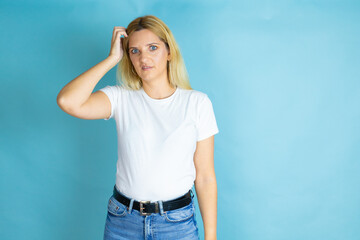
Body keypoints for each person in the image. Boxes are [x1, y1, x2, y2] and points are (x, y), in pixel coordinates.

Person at [57, 15, 219, 240]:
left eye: (153, 48)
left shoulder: (197, 103)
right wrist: (112, 58)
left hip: (176, 223)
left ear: (169, 52)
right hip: (123, 221)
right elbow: (68, 101)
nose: (144, 57)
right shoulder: (120, 98)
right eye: (135, 51)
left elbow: (205, 177)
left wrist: (211, 237)